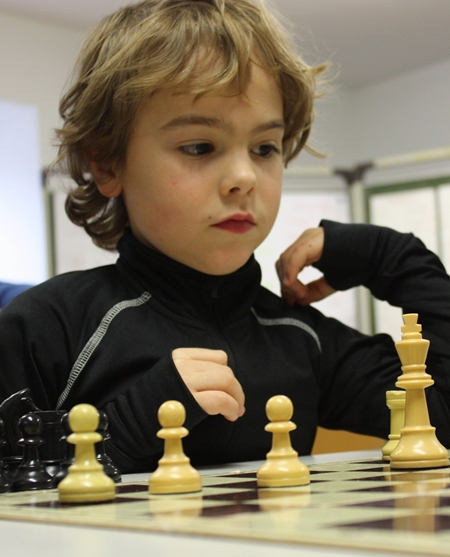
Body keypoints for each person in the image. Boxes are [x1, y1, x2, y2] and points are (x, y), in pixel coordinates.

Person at [1, 0, 450, 474]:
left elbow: (441, 415)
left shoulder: (302, 339)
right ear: (108, 164)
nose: (244, 177)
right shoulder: (45, 327)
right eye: (200, 146)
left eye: (264, 148)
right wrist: (128, 430)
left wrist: (389, 256)